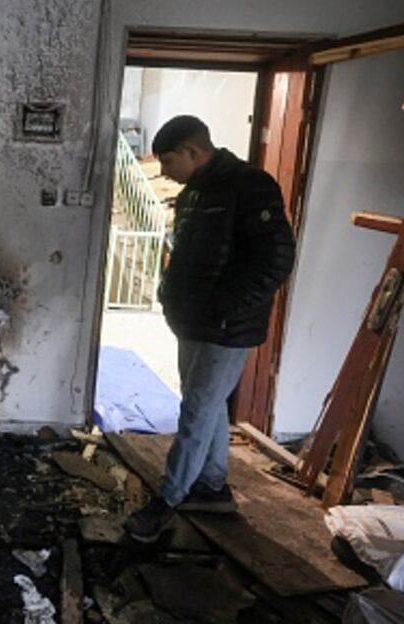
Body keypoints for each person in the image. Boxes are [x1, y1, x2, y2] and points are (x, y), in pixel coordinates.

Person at [124, 114, 297, 543]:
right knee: (206, 403)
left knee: (197, 411)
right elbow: (186, 254)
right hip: (193, 319)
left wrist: (228, 308)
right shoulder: (195, 193)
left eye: (169, 161)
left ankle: (168, 499)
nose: (165, 172)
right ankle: (212, 486)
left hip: (227, 326)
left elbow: (277, 259)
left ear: (192, 152)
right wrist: (170, 296)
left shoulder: (251, 186)